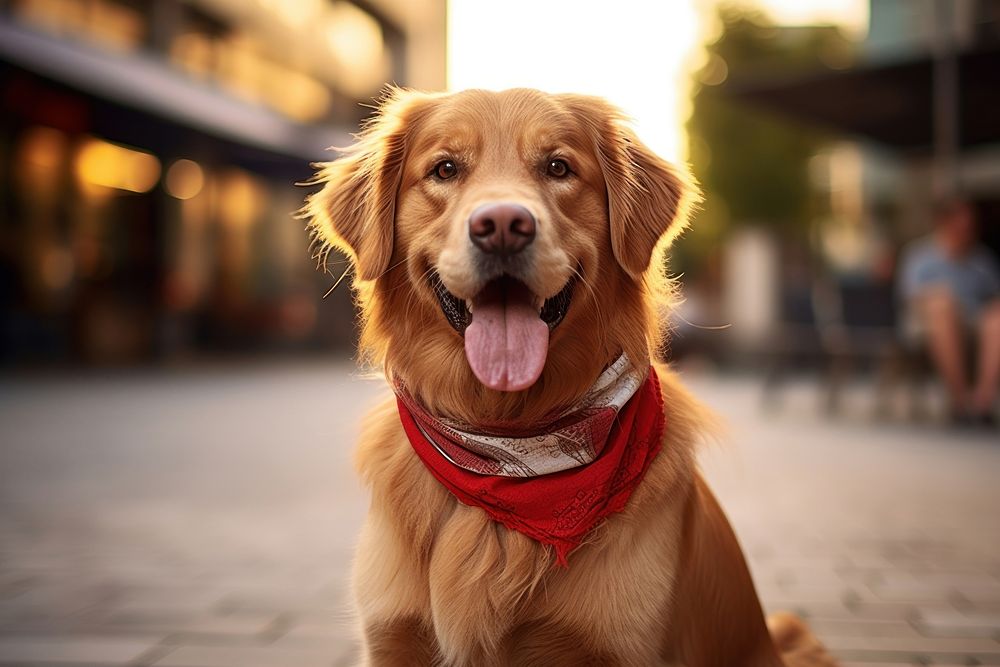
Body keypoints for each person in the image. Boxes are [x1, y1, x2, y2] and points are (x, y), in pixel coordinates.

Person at [899, 199, 1000, 426]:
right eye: (961, 223)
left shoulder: (982, 260)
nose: (967, 229)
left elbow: (994, 298)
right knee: (941, 307)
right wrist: (943, 300)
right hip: (929, 324)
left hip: (975, 325)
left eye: (970, 224)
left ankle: (982, 402)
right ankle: (960, 401)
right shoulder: (920, 256)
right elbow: (910, 298)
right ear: (944, 223)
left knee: (997, 318)